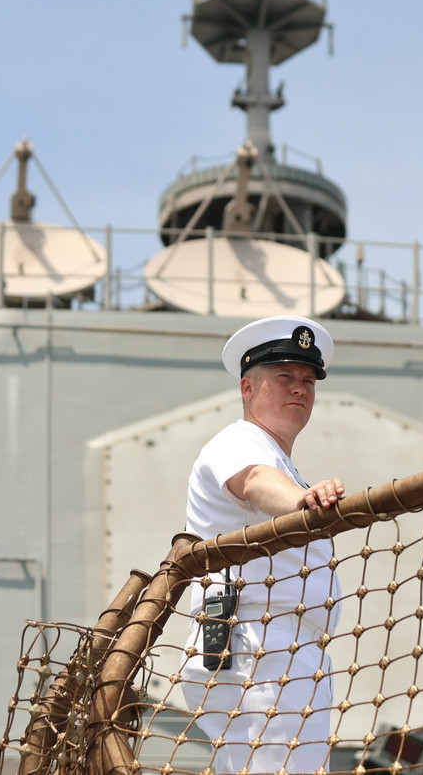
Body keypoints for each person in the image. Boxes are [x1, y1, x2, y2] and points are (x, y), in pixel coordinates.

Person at [179, 314, 345, 775]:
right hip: (259, 645)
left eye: (309, 380)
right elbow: (254, 481)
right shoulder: (238, 442)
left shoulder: (282, 459)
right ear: (247, 389)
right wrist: (303, 502)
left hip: (283, 652)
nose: (300, 388)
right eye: (284, 376)